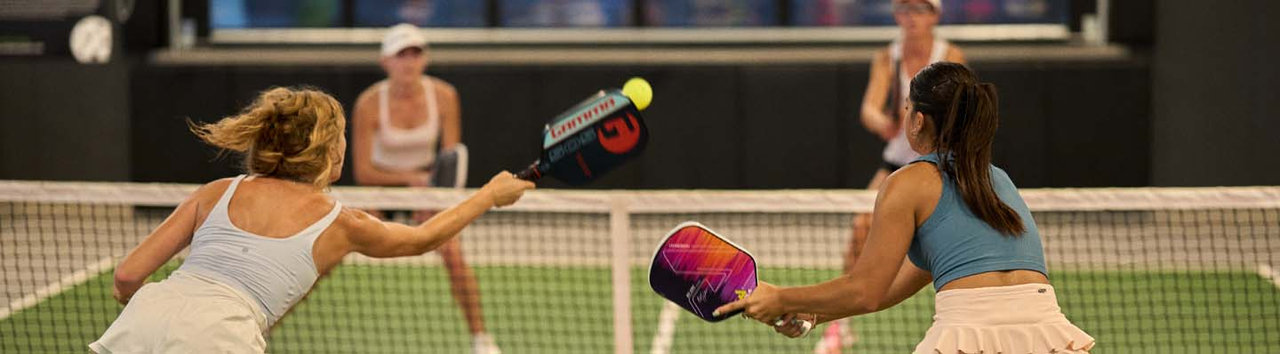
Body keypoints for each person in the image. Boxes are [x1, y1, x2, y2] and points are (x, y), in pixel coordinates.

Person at [88, 87, 535, 353]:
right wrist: (490, 195)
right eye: (340, 136)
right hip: (218, 337)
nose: (344, 145)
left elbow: (127, 277)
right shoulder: (339, 222)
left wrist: (167, 316)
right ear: (327, 150)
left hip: (141, 322)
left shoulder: (216, 191)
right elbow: (422, 238)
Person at [715, 62, 1095, 354]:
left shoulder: (907, 183)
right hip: (1048, 332)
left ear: (917, 120)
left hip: (967, 334)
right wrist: (814, 314)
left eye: (908, 107)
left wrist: (782, 298)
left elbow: (866, 289)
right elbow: (893, 286)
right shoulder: (998, 180)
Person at [351, 24, 500, 353]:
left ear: (425, 59)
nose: (409, 62)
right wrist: (410, 178)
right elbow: (363, 172)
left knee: (454, 256)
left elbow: (449, 160)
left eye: (415, 54)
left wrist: (431, 196)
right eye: (401, 55)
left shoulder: (445, 96)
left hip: (425, 190)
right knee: (328, 249)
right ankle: (268, 324)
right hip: (381, 192)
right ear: (385, 62)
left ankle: (481, 340)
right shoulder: (369, 104)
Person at [826, 0, 966, 351]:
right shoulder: (887, 57)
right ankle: (839, 325)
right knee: (861, 226)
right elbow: (869, 108)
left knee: (956, 240)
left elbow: (962, 110)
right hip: (896, 165)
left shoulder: (951, 55)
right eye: (905, 9)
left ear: (935, 15)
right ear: (897, 15)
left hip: (942, 164)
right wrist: (884, 122)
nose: (912, 17)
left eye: (920, 9)